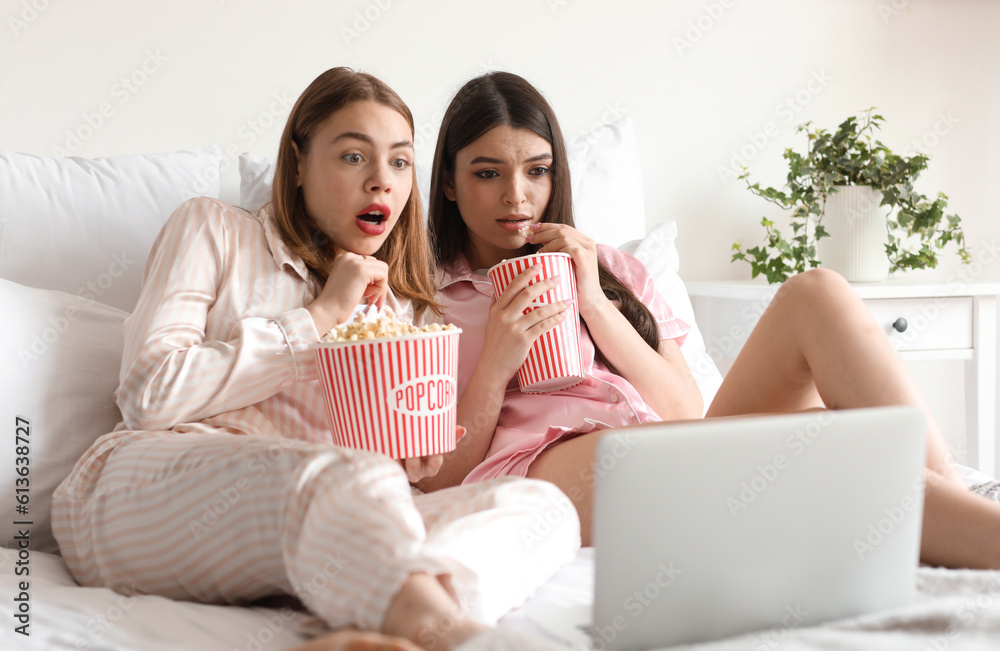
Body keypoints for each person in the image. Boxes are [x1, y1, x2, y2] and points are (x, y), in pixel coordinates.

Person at [50, 68, 580, 651]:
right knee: (343, 477)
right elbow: (148, 395)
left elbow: (386, 476)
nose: (381, 182)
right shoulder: (214, 229)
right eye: (355, 157)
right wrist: (319, 318)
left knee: (542, 508)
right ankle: (451, 635)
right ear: (298, 163)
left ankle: (382, 621)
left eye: (400, 162)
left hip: (305, 528)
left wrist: (412, 461)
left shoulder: (405, 308)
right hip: (142, 490)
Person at [422, 71, 1000, 570]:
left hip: (668, 444)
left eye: (537, 171)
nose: (517, 196)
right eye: (487, 173)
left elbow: (681, 410)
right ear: (449, 181)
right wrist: (499, 359)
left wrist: (594, 299)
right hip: (551, 464)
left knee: (816, 292)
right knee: (828, 454)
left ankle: (954, 492)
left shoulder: (613, 268)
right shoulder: (423, 296)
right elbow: (437, 481)